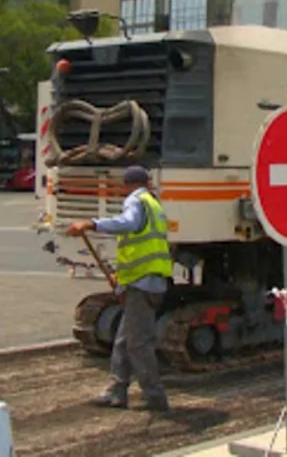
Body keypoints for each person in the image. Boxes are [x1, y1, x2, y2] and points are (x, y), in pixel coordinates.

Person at [66, 165, 172, 412]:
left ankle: (155, 396)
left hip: (142, 283)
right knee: (124, 340)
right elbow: (141, 248)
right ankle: (117, 390)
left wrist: (91, 224)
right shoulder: (154, 205)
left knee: (138, 343)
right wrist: (121, 278)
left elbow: (128, 223)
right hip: (147, 281)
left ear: (127, 185)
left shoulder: (136, 201)